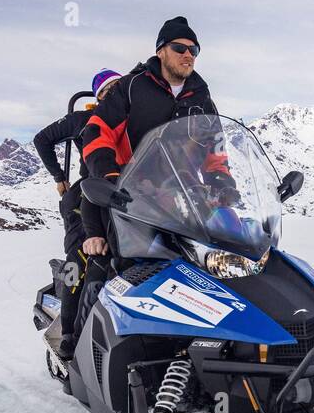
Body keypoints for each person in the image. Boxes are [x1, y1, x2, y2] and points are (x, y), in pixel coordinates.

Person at [79, 16, 231, 261]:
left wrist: (222, 182)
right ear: (161, 51)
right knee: (113, 267)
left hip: (184, 201)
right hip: (129, 198)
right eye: (179, 48)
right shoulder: (131, 87)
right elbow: (98, 133)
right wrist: (110, 177)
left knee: (209, 263)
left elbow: (215, 148)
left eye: (193, 50)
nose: (188, 55)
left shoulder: (201, 97)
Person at [37, 69, 121, 360]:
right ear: (98, 97)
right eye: (108, 89)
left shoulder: (130, 123)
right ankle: (70, 335)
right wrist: (59, 177)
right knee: (80, 261)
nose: (115, 93)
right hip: (85, 198)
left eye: (120, 87)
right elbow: (42, 139)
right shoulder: (85, 120)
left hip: (122, 199)